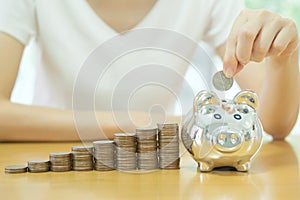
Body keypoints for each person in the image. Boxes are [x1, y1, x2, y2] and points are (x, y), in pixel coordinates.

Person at [0, 0, 299, 141]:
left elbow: (273, 123)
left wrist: (282, 59)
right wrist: (138, 123)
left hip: (154, 168)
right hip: (49, 163)